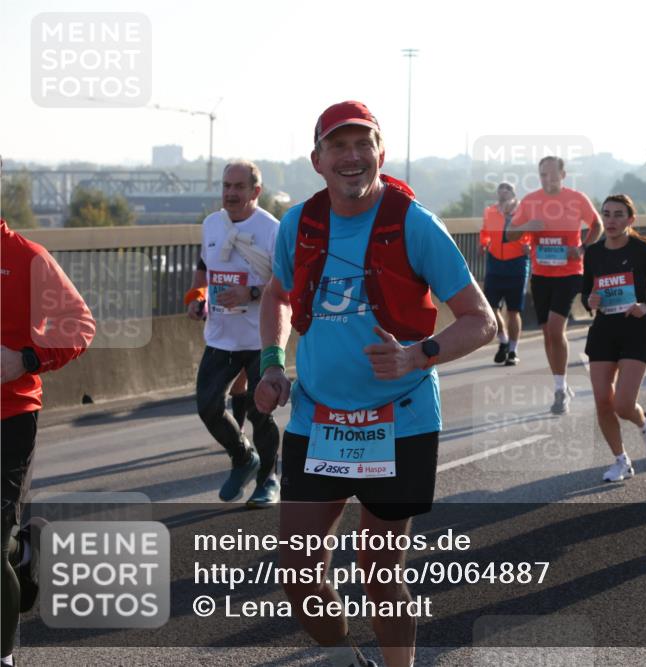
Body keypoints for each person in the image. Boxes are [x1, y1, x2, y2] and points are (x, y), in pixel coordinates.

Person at [254, 100, 495, 667]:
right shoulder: (300, 224)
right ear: (317, 160)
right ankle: (344, 659)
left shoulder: (415, 223)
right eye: (338, 145)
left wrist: (419, 355)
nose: (352, 156)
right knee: (296, 569)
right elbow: (277, 295)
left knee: (379, 573)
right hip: (319, 419)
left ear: (381, 153)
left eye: (363, 144)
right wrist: (270, 362)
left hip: (399, 418)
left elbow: (481, 320)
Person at [2, 218, 96, 667]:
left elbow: (79, 324)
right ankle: (22, 549)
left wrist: (26, 358)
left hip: (10, 418)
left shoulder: (27, 257)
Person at [184, 160, 282, 507]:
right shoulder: (212, 224)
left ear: (256, 191)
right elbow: (203, 268)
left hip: (260, 337)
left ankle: (268, 478)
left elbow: (288, 281)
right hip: (220, 335)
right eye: (226, 186)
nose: (230, 193)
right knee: (208, 407)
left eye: (239, 187)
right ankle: (243, 458)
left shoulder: (271, 229)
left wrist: (252, 293)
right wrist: (197, 298)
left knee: (261, 411)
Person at [582, 194, 646, 482]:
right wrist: (591, 301)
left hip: (635, 330)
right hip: (603, 331)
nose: (611, 220)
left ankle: (644, 422)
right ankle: (620, 460)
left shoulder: (642, 250)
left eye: (618, 215)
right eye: (606, 214)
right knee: (602, 401)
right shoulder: (594, 252)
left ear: (630, 220)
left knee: (623, 404)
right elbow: (586, 293)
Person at [506, 156, 603, 414]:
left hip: (570, 273)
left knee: (556, 327)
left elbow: (597, 225)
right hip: (541, 274)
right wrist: (528, 225)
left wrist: (582, 248)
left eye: (551, 174)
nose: (547, 179)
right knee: (548, 332)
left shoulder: (576, 198)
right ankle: (561, 383)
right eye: (542, 175)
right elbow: (509, 233)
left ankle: (560, 392)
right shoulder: (531, 201)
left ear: (563, 174)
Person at [479, 181, 529, 366]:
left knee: (514, 310)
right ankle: (503, 341)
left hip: (517, 263)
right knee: (491, 308)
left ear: (513, 193)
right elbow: (485, 231)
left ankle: (513, 350)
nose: (503, 192)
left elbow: (532, 232)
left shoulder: (523, 212)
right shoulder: (490, 211)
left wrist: (529, 245)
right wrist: (483, 243)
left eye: (507, 189)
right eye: (500, 189)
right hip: (495, 263)